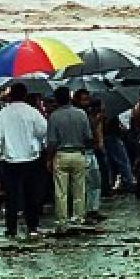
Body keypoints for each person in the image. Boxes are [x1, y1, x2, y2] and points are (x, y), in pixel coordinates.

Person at [0, 83, 48, 238]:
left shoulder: (2, 114)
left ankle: (11, 228)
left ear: (10, 95)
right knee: (31, 195)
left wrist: (3, 149)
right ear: (25, 95)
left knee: (11, 196)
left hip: (10, 161)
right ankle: (32, 227)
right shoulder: (33, 112)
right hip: (31, 159)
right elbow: (43, 131)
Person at [46, 86, 91, 232]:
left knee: (61, 191)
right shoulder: (82, 114)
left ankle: (62, 220)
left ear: (57, 100)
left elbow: (52, 141)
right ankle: (79, 218)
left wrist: (48, 158)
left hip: (61, 155)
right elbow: (88, 137)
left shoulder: (54, 116)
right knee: (79, 189)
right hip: (78, 154)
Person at [81, 94, 108, 222]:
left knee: (96, 181)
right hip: (86, 152)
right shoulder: (86, 117)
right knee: (89, 182)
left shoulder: (95, 118)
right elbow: (89, 133)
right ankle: (87, 209)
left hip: (93, 151)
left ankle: (94, 208)